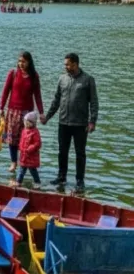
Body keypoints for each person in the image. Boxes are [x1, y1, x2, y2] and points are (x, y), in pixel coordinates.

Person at [41, 53, 99, 192]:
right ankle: (61, 177)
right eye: (65, 64)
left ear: (75, 64)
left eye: (67, 64)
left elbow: (94, 103)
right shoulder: (62, 79)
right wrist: (48, 117)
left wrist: (92, 122)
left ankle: (80, 180)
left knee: (80, 153)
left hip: (80, 124)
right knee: (62, 152)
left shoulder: (88, 80)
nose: (65, 66)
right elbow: (56, 100)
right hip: (63, 122)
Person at [0, 51, 44, 175]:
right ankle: (14, 162)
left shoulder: (34, 76)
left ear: (29, 62)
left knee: (26, 139)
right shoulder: (13, 74)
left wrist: (41, 112)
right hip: (13, 111)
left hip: (27, 114)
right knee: (11, 139)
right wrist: (1, 107)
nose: (21, 64)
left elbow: (38, 96)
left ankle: (24, 162)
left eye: (23, 61)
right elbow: (5, 91)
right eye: (19, 61)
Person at [14, 111, 42, 188]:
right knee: (21, 169)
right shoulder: (24, 130)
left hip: (31, 156)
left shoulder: (35, 132)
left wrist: (30, 148)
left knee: (32, 170)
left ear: (33, 123)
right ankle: (18, 181)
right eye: (25, 122)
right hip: (23, 155)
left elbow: (38, 143)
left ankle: (37, 182)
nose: (26, 124)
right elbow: (22, 140)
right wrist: (20, 147)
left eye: (28, 122)